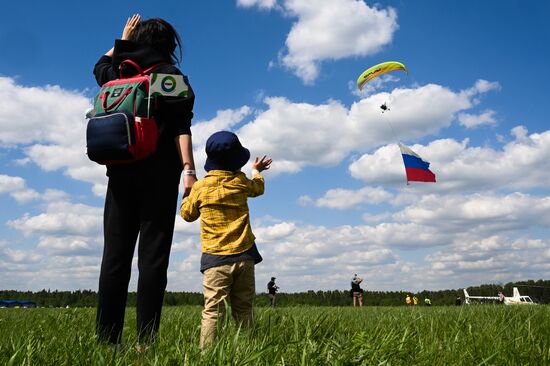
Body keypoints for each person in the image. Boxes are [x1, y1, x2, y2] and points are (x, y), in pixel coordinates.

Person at [94, 14, 197, 346]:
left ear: (138, 40)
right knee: (153, 260)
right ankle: (146, 340)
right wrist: (189, 172)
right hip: (160, 175)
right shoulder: (170, 76)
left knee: (115, 257)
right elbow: (182, 125)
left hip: (120, 171)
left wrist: (121, 42)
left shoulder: (121, 71)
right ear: (169, 45)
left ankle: (108, 340)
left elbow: (98, 68)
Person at [180, 131, 272, 348]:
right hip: (245, 256)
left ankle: (207, 355)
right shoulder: (240, 182)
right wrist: (256, 171)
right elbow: (258, 188)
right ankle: (248, 350)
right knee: (243, 308)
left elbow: (187, 215)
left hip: (215, 260)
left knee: (213, 310)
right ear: (237, 162)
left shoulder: (200, 187)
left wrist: (187, 194)